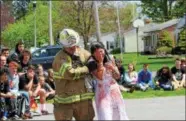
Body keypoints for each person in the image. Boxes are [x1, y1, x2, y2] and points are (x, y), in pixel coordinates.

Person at [52, 29, 95, 120]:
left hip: (83, 101)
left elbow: (92, 60)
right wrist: (87, 68)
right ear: (63, 45)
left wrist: (92, 60)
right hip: (64, 102)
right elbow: (70, 73)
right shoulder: (59, 58)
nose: (73, 49)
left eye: (74, 46)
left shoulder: (82, 52)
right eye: (70, 47)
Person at [87, 41, 129, 120]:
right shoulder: (91, 63)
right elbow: (100, 77)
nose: (99, 53)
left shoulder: (110, 59)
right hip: (102, 93)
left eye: (100, 51)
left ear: (104, 50)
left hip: (114, 91)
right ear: (92, 54)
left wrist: (113, 68)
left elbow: (117, 76)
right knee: (106, 116)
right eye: (95, 52)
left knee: (119, 115)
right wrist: (100, 62)